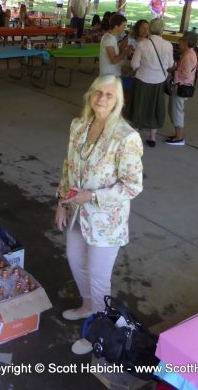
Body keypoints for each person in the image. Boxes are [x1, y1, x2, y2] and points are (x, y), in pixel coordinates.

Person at [55, 74, 144, 355]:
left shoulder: (126, 137)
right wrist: (61, 201)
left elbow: (132, 185)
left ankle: (98, 333)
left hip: (106, 222)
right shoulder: (79, 125)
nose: (102, 98)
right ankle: (87, 305)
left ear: (118, 100)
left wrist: (93, 196)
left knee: (98, 277)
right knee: (74, 259)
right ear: (89, 95)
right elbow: (69, 166)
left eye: (109, 94)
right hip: (77, 213)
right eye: (98, 93)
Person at [128, 17, 174, 148]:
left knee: (139, 105)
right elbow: (170, 64)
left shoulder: (143, 44)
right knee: (155, 107)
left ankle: (136, 134)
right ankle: (153, 137)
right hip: (159, 80)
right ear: (162, 30)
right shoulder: (168, 45)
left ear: (150, 29)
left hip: (142, 79)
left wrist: (140, 69)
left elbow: (134, 63)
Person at [165, 28, 198, 146]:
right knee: (174, 110)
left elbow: (186, 74)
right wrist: (174, 69)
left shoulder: (188, 56)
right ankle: (177, 135)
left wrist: (174, 74)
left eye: (181, 41)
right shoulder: (187, 53)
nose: (179, 43)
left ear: (186, 42)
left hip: (181, 87)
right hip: (180, 86)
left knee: (176, 112)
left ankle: (179, 137)